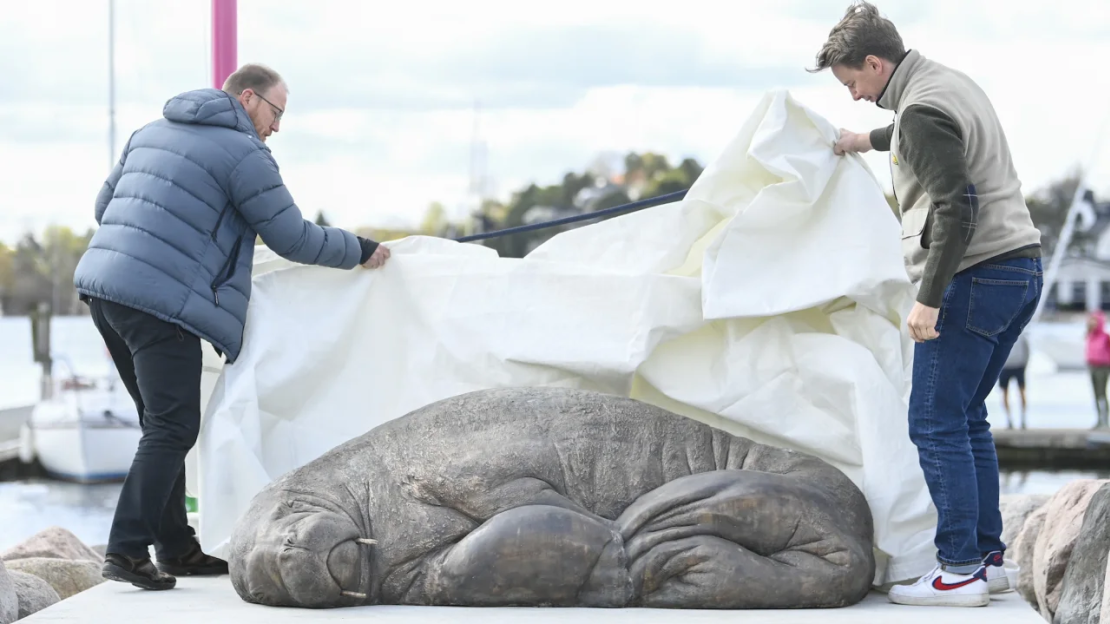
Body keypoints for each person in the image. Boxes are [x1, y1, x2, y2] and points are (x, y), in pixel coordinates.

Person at [72, 64, 391, 591]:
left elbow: (105, 207)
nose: (278, 127)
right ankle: (126, 550)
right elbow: (291, 237)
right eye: (277, 112)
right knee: (173, 427)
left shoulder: (149, 132)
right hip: (159, 304)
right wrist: (358, 250)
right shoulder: (245, 154)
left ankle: (175, 547)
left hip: (103, 291)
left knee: (161, 425)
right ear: (249, 98)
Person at [811, 1, 1043, 608]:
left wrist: (929, 300)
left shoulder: (920, 110)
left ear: (873, 62)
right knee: (967, 419)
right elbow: (920, 136)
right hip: (1020, 268)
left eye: (853, 83)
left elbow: (954, 206)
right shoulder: (945, 83)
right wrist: (863, 141)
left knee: (934, 423)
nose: (855, 95)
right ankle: (989, 561)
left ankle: (959, 569)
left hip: (972, 278)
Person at [998, 334, 1029, 429]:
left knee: (1020, 392)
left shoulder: (1020, 335)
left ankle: (1022, 419)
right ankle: (1010, 419)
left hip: (1015, 366)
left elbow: (1027, 352)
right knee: (1006, 393)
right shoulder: (1003, 333)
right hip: (1008, 366)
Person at [1086, 311, 1110, 429]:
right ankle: (1099, 419)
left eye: (1094, 320)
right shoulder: (1090, 335)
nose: (1092, 322)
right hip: (1092, 366)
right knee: (1095, 394)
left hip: (1103, 367)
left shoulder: (1105, 336)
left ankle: (1105, 420)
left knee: (1101, 393)